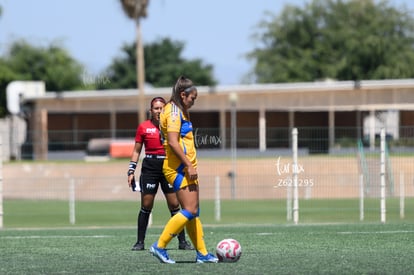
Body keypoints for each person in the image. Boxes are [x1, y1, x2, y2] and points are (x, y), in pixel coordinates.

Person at [150, 76, 218, 264]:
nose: (193, 101)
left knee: (193, 211)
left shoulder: (181, 110)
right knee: (189, 210)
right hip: (178, 168)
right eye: (192, 98)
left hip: (186, 167)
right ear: (183, 94)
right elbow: (172, 142)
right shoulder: (173, 113)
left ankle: (202, 254)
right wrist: (188, 164)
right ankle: (160, 246)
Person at [127, 96, 193, 251]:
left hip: (168, 166)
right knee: (146, 205)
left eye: (161, 108)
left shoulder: (172, 125)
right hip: (150, 166)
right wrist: (131, 170)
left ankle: (182, 242)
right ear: (151, 111)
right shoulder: (143, 127)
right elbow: (136, 151)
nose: (159, 111)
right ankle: (140, 242)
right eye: (156, 108)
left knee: (175, 205)